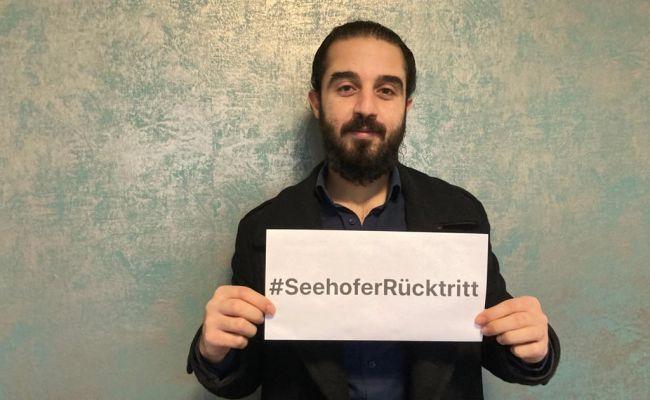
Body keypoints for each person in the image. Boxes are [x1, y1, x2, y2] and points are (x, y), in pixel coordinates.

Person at [186, 20, 560, 400]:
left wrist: (533, 346)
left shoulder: (460, 214)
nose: (366, 107)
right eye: (346, 88)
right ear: (316, 102)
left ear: (405, 106)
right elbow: (244, 376)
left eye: (386, 90)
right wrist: (214, 352)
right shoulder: (263, 227)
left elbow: (494, 341)